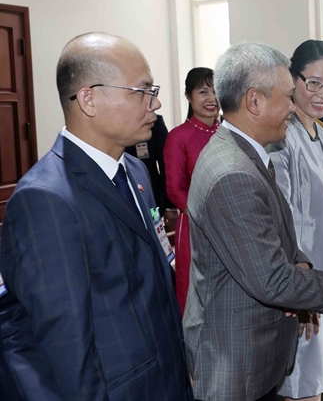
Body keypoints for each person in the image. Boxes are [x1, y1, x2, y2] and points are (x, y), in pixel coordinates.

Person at [182, 42, 323, 401]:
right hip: (234, 353)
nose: (293, 107)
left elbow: (278, 229)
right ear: (254, 102)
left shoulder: (245, 153)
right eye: (289, 97)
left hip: (256, 340)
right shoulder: (233, 173)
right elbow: (272, 279)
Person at [0, 33, 193, 400]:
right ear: (88, 98)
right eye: (142, 91)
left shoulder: (135, 172)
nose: (156, 103)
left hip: (167, 376)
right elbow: (65, 345)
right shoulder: (46, 198)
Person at [267, 40, 323, 401]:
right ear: (293, 78)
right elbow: (281, 215)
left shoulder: (320, 131)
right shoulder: (282, 135)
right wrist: (299, 288)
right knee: (303, 382)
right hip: (302, 277)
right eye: (314, 83)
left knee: (319, 379)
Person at [164, 67, 220, 315]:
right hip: (196, 226)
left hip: (232, 221)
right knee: (196, 293)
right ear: (188, 96)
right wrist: (204, 217)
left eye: (216, 91)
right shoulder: (179, 136)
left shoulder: (229, 133)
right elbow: (174, 189)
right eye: (203, 91)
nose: (211, 98)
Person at [125, 114, 171, 215]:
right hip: (123, 196)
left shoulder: (154, 122)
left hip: (152, 198)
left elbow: (166, 166)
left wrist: (169, 206)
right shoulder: (111, 123)